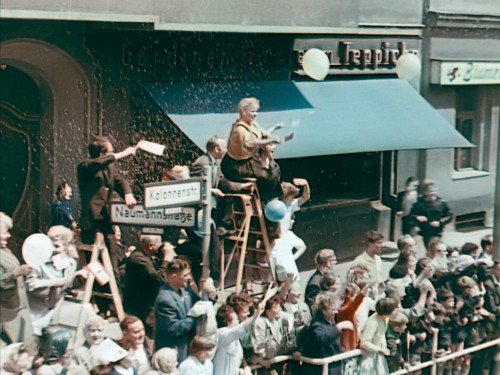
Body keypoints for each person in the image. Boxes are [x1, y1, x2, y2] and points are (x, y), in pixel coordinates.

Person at [77, 135, 137, 289]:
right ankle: (96, 299)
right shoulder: (85, 166)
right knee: (93, 262)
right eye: (110, 152)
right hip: (91, 218)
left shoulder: (108, 167)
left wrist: (128, 193)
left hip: (107, 217)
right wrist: (124, 153)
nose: (113, 154)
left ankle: (115, 297)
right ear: (102, 154)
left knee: (112, 258)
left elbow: (119, 180)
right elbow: (100, 162)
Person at [221, 97, 293, 182]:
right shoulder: (239, 129)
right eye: (252, 111)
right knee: (268, 176)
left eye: (256, 111)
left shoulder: (253, 123)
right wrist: (273, 140)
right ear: (243, 112)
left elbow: (262, 135)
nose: (256, 114)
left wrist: (275, 128)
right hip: (236, 165)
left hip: (249, 159)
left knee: (275, 168)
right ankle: (267, 194)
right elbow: (252, 142)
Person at [123, 235, 172, 336]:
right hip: (141, 310)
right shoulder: (138, 259)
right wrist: (166, 259)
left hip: (147, 308)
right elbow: (160, 278)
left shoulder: (145, 256)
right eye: (159, 246)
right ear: (150, 246)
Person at [0, 212, 34, 348]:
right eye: (5, 232)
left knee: (25, 344)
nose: (8, 235)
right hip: (7, 312)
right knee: (14, 347)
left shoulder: (5, 249)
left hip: (17, 304)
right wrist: (16, 273)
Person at [155, 259, 200, 362]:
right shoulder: (165, 299)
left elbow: (199, 303)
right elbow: (173, 328)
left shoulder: (186, 290)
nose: (189, 278)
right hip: (175, 350)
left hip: (188, 346)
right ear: (174, 277)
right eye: (185, 275)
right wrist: (194, 317)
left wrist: (210, 294)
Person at [300, 292, 354, 375]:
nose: (336, 312)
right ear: (323, 310)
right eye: (333, 310)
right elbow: (321, 340)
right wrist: (339, 327)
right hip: (320, 370)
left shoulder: (330, 319)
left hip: (333, 366)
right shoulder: (317, 324)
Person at [212, 302, 263, 375]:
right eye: (236, 320)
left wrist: (244, 369)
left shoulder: (234, 339)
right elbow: (241, 328)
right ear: (228, 322)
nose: (238, 322)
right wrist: (256, 314)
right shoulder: (222, 334)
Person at [358, 297, 399, 374]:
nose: (396, 311)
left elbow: (382, 334)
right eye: (394, 309)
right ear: (388, 310)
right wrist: (379, 349)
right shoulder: (373, 322)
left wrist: (384, 347)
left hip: (379, 355)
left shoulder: (386, 319)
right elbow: (365, 342)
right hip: (369, 356)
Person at [410, 180, 452, 248]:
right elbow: (411, 216)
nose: (432, 192)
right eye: (430, 190)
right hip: (425, 231)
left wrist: (440, 222)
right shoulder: (419, 203)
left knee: (436, 247)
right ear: (425, 192)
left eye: (434, 190)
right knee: (430, 248)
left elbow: (449, 215)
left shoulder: (441, 202)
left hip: (438, 231)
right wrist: (417, 217)